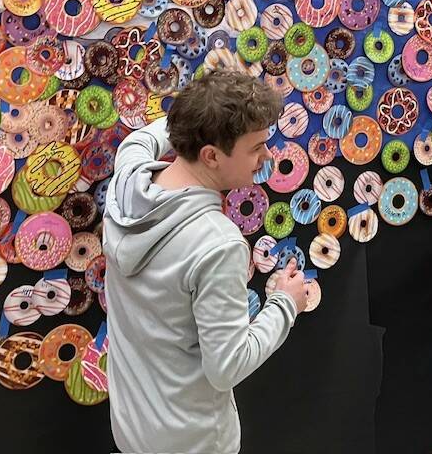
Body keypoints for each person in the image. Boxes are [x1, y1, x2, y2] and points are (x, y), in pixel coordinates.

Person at [103, 70, 308, 454]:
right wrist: (285, 303)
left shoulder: (125, 182)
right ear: (211, 155)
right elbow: (227, 367)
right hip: (194, 442)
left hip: (132, 429)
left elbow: (138, 140)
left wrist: (197, 121)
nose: (267, 157)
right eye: (256, 147)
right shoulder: (218, 245)